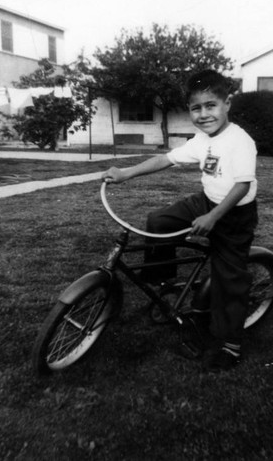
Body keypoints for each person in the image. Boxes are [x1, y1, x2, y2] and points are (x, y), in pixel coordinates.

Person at [101, 70, 258, 372]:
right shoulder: (202, 139)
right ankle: (166, 283)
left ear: (227, 104)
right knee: (159, 221)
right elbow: (165, 159)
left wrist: (213, 218)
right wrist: (125, 174)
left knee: (229, 281)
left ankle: (231, 345)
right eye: (196, 108)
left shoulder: (240, 141)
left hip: (234, 213)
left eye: (211, 105)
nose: (203, 114)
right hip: (207, 199)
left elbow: (241, 186)